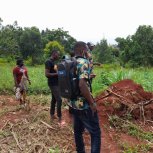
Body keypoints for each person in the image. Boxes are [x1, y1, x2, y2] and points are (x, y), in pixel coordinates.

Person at [70, 41, 101, 153]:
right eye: (87, 49)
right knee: (95, 132)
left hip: (73, 103)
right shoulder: (83, 62)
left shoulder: (70, 61)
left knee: (78, 132)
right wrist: (92, 103)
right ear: (83, 50)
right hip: (84, 104)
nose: (88, 51)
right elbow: (82, 84)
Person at [45, 50, 63, 124]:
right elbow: (47, 74)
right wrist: (57, 74)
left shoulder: (54, 62)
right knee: (59, 99)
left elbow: (55, 71)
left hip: (56, 83)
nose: (58, 56)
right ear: (54, 54)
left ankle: (52, 114)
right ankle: (59, 117)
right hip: (53, 84)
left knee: (54, 99)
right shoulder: (48, 62)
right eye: (57, 54)